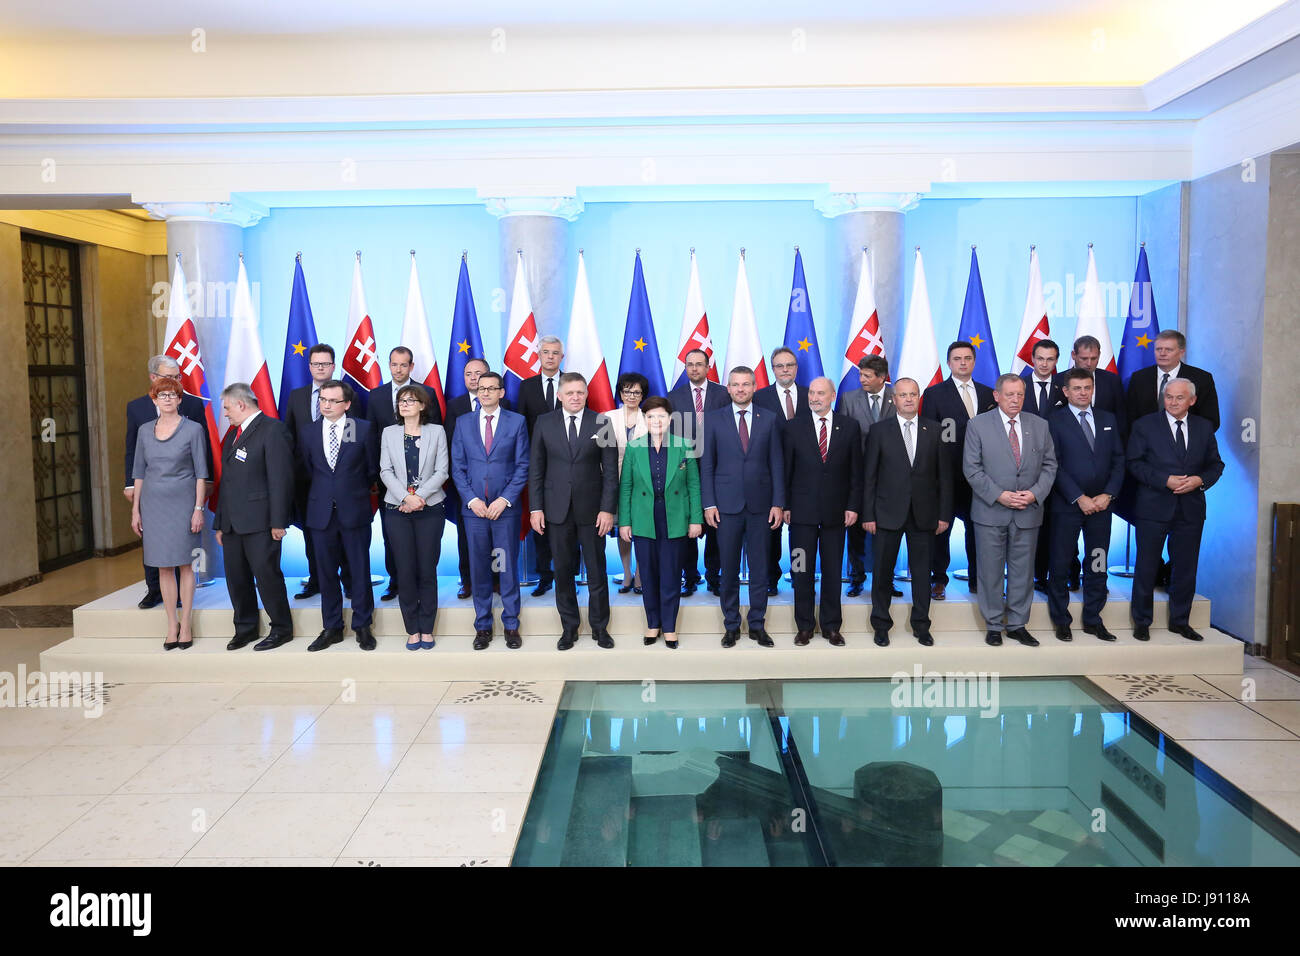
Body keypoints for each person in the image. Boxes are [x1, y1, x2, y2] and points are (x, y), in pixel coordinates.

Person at [963, 373, 1058, 647]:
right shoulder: (978, 425)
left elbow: (1050, 465)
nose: (1015, 400)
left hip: (1028, 511)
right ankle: (993, 625)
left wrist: (1035, 494)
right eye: (1009, 395)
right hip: (990, 511)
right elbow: (971, 468)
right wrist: (999, 495)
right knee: (990, 571)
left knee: (1022, 572)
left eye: (1020, 395)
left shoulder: (1039, 425)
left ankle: (1017, 624)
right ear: (996, 396)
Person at [1126, 378, 1224, 642]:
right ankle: (1142, 622)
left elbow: (1216, 465)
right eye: (1168, 397)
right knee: (1146, 567)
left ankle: (1180, 622)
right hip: (1153, 507)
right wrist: (1163, 480)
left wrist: (1199, 481)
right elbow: (1134, 463)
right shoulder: (1144, 425)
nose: (1172, 402)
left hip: (1190, 510)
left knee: (1185, 568)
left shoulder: (1204, 428)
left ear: (1191, 400)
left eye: (1179, 398)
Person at [529, 372, 619, 650]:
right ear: (560, 395)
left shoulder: (601, 422)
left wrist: (607, 510)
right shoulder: (544, 423)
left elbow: (611, 473)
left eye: (580, 392)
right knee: (564, 572)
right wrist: (536, 508)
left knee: (596, 571)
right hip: (556, 511)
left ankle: (600, 628)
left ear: (586, 393)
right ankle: (569, 628)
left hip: (592, 513)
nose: (576, 397)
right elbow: (536, 470)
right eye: (570, 393)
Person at [861, 378, 952, 646]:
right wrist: (868, 515)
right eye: (903, 395)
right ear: (894, 399)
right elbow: (870, 477)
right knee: (882, 573)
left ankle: (921, 625)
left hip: (925, 515)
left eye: (913, 394)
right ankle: (881, 625)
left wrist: (944, 515)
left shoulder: (936, 430)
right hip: (887, 513)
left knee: (923, 573)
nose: (909, 399)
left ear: (919, 397)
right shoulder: (879, 430)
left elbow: (945, 478)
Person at [700, 366, 785, 648]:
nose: (740, 389)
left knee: (761, 569)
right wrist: (708, 503)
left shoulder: (770, 419)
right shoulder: (712, 420)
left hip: (762, 507)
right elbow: (707, 465)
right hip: (725, 508)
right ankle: (732, 625)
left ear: (754, 386)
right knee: (729, 569)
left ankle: (758, 625)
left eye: (746, 384)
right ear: (728, 388)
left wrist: (778, 502)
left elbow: (777, 464)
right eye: (735, 385)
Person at [124, 355, 211, 609]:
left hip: (183, 492)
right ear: (153, 379)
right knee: (153, 545)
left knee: (183, 551)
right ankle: (154, 590)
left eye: (177, 377)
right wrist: (130, 483)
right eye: (168, 378)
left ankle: (182, 596)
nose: (174, 383)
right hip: (152, 493)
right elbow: (133, 451)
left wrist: (208, 484)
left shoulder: (193, 406)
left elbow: (202, 452)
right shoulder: (136, 408)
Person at [450, 370, 530, 649]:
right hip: (474, 511)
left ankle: (511, 624)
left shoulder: (517, 422)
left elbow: (522, 466)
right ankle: (482, 625)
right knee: (480, 567)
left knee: (505, 565)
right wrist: (472, 500)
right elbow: (457, 467)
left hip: (504, 510)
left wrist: (504, 499)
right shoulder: (462, 423)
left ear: (501, 393)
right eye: (481, 388)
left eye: (491, 388)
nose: (485, 393)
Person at [298, 380, 379, 652]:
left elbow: (371, 469)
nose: (326, 405)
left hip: (354, 510)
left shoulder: (361, 429)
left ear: (346, 404)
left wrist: (348, 490)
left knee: (358, 569)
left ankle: (362, 625)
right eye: (322, 400)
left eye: (332, 401)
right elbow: (307, 472)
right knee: (326, 572)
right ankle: (331, 626)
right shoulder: (308, 432)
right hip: (320, 513)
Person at [214, 383, 296, 651]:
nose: (224, 413)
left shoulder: (273, 429)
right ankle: (246, 628)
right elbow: (226, 482)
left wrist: (278, 521)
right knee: (236, 578)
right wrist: (220, 523)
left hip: (262, 522)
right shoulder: (232, 435)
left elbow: (281, 479)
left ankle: (281, 628)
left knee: (266, 576)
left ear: (240, 404)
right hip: (232, 524)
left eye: (226, 407)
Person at [1046, 368, 1125, 642]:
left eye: (1087, 388)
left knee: (1098, 563)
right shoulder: (1053, 421)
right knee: (1059, 564)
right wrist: (1078, 497)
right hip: (1067, 505)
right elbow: (1052, 464)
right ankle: (1061, 620)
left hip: (1102, 507)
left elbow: (1119, 460)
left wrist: (1109, 494)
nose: (1083, 393)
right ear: (1066, 391)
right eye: (1077, 388)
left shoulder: (1108, 418)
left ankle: (1093, 619)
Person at [783, 377, 861, 646]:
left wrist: (853, 506)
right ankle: (804, 626)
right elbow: (786, 472)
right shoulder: (793, 428)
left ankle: (831, 626)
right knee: (801, 570)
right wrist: (786, 506)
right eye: (812, 393)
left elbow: (855, 473)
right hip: (800, 517)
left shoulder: (850, 427)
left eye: (821, 393)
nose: (815, 397)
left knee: (832, 572)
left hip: (836, 515)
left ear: (832, 395)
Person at [620, 397, 702, 649]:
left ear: (670, 419)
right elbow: (626, 488)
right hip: (644, 519)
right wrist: (624, 521)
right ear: (645, 420)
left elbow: (693, 486)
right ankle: (652, 624)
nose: (656, 421)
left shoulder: (684, 446)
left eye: (661, 416)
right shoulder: (634, 447)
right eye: (651, 417)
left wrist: (696, 520)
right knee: (649, 575)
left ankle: (669, 627)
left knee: (670, 575)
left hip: (674, 518)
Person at [921, 341, 995, 600]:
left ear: (974, 362)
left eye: (967, 358)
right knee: (941, 529)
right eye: (957, 359)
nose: (962, 363)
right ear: (949, 362)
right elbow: (929, 437)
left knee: (979, 529)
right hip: (946, 476)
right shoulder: (934, 394)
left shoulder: (989, 394)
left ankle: (977, 578)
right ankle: (938, 579)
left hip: (982, 477)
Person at [368, 346, 442, 603]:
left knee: (424, 547)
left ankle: (421, 586)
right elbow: (370, 438)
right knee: (392, 539)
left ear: (411, 366)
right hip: (388, 481)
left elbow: (437, 436)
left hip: (426, 487)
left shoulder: (428, 393)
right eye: (393, 364)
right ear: (388, 365)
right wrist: (378, 481)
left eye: (403, 365)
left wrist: (419, 495)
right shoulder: (375, 395)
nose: (398, 369)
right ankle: (396, 580)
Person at [379, 384, 449, 650]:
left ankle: (427, 627)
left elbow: (442, 471)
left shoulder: (437, 432)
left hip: (430, 509)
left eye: (410, 400)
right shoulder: (389, 432)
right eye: (401, 400)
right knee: (405, 570)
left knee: (426, 570)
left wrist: (418, 497)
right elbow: (385, 470)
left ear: (422, 405)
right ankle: (412, 628)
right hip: (397, 510)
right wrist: (405, 498)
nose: (404, 404)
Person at [280, 343, 353, 600]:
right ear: (309, 366)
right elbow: (287, 434)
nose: (320, 368)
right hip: (305, 480)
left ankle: (349, 581)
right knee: (312, 534)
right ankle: (317, 580)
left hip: (339, 479)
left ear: (333, 366)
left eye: (325, 363)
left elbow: (353, 435)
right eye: (315, 364)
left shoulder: (345, 394)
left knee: (344, 531)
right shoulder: (296, 395)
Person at [444, 358, 512, 600]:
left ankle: (496, 580)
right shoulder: (454, 406)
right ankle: (468, 580)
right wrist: (465, 490)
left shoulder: (507, 407)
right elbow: (452, 446)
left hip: (499, 489)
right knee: (467, 537)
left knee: (498, 541)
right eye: (468, 374)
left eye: (479, 374)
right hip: (465, 487)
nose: (473, 379)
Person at [667, 348, 729, 596]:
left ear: (708, 366)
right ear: (685, 367)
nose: (694, 368)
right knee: (687, 526)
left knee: (717, 526)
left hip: (719, 468)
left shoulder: (724, 394)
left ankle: (714, 577)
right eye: (689, 364)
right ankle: (689, 577)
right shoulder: (673, 397)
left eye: (699, 364)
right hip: (685, 468)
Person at [839, 354, 898, 598]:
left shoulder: (898, 396)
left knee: (889, 532)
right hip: (859, 476)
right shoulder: (849, 399)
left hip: (891, 478)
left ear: (882, 378)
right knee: (855, 530)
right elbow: (842, 439)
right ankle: (856, 577)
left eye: (867, 376)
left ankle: (887, 580)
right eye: (860, 375)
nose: (861, 379)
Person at [754, 346, 808, 596]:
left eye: (790, 365)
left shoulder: (812, 395)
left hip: (804, 479)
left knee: (801, 535)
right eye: (780, 366)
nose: (785, 370)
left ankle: (800, 576)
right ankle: (770, 578)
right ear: (772, 369)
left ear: (796, 368)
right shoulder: (760, 397)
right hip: (769, 476)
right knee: (770, 532)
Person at [516, 335, 567, 597]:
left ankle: (566, 577)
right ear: (539, 355)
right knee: (540, 520)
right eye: (545, 352)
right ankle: (545, 577)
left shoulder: (573, 384)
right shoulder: (526, 386)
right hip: (538, 465)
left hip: (568, 464)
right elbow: (521, 427)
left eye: (555, 352)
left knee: (568, 521)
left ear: (562, 356)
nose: (550, 356)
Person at [1020, 338, 1067, 593]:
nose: (1045, 364)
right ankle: (1029, 577)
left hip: (1058, 467)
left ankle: (1053, 575)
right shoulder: (1019, 386)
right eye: (1040, 358)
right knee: (1026, 527)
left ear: (1056, 361)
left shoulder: (1065, 388)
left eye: (1050, 359)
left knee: (1054, 526)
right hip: (1024, 468)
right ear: (1033, 359)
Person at [605, 371, 650, 594]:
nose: (631, 396)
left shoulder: (650, 417)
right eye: (626, 391)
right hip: (615, 481)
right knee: (622, 528)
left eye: (636, 392)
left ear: (643, 395)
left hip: (644, 483)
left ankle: (641, 575)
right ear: (620, 393)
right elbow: (600, 455)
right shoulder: (606, 418)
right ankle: (626, 573)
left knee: (641, 529)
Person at [1124, 330, 1220, 432]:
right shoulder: (1139, 378)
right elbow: (1130, 418)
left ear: (1181, 352)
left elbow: (1210, 421)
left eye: (1168, 350)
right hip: (1145, 443)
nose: (1162, 353)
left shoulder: (1201, 379)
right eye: (1158, 349)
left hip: (1186, 443)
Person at [1054, 335, 1127, 435]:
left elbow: (1121, 417)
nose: (1089, 363)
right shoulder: (1057, 380)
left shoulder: (1112, 380)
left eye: (1093, 358)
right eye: (1084, 358)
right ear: (1073, 355)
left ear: (1099, 355)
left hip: (1104, 442)